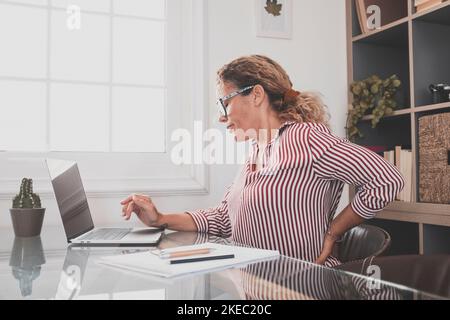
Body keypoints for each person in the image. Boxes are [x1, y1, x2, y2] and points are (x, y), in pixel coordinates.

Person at [120, 55, 404, 267]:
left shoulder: (304, 138)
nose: (221, 116)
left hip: (301, 287)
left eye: (224, 102)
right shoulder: (258, 150)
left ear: (256, 94)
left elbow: (387, 180)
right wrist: (160, 219)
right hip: (258, 285)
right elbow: (223, 219)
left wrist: (334, 230)